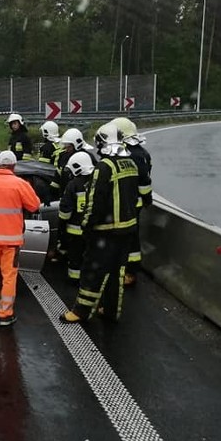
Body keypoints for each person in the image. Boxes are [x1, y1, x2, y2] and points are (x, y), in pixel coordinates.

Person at [60, 122, 139, 324]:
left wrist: (87, 227)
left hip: (105, 231)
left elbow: (95, 202)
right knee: (116, 273)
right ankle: (111, 311)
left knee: (92, 271)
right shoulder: (130, 163)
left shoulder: (104, 167)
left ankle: (81, 311)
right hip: (128, 230)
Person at [0, 150, 42, 326]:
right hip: (11, 242)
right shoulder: (20, 184)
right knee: (8, 277)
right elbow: (34, 206)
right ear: (13, 166)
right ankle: (5, 314)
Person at [112, 117, 152, 286]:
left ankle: (131, 271)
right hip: (128, 203)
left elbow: (143, 182)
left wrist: (145, 199)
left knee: (130, 238)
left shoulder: (134, 155)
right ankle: (124, 268)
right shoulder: (139, 152)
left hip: (130, 204)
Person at [56, 151, 95, 283]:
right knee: (90, 256)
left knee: (75, 257)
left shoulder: (73, 185)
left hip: (75, 231)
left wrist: (62, 225)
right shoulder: (97, 183)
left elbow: (65, 210)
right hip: (93, 230)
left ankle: (74, 280)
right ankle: (89, 280)